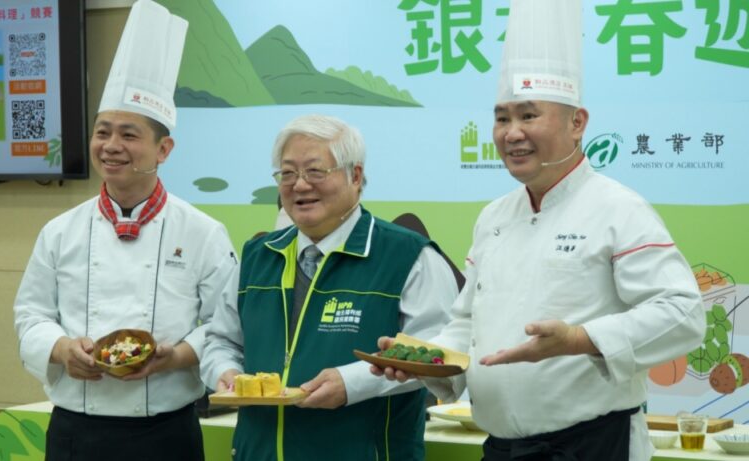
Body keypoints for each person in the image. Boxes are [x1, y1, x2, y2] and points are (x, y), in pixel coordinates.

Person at [372, 1, 705, 460]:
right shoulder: (494, 217)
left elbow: (683, 314)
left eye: (528, 116)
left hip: (592, 446)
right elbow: (468, 323)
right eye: (502, 118)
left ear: (577, 123)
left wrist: (579, 340)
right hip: (501, 447)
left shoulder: (618, 208)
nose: (511, 133)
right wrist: (426, 360)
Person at [13, 2, 237, 460]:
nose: (111, 146)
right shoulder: (60, 230)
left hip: (167, 434)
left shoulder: (203, 232)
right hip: (75, 431)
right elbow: (31, 315)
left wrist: (177, 356)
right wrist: (61, 348)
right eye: (102, 132)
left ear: (164, 149)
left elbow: (225, 325)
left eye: (129, 135)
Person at [200, 114, 458, 461]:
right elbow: (221, 340)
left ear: (356, 176)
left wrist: (351, 383)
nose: (299, 185)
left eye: (315, 171)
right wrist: (225, 372)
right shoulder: (257, 256)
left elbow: (437, 355)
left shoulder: (409, 256)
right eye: (287, 173)